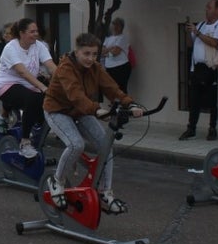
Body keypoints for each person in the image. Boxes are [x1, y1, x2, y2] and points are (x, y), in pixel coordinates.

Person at [43, 33, 144, 211]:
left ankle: (105, 192)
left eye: (94, 54)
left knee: (106, 146)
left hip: (82, 111)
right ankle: (56, 181)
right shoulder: (66, 68)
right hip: (57, 110)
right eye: (86, 54)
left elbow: (112, 89)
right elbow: (75, 95)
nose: (91, 58)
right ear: (77, 51)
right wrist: (97, 109)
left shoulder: (95, 68)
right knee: (76, 145)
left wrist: (131, 104)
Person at [0, 18, 57, 159]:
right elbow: (23, 72)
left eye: (37, 31)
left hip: (28, 86)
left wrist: (65, 79)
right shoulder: (11, 47)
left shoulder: (39, 46)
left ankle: (36, 132)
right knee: (33, 99)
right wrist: (43, 87)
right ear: (21, 33)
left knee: (49, 103)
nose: (35, 34)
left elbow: (51, 65)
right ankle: (25, 142)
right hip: (7, 85)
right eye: (32, 31)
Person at [180, 0, 218, 141]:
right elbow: (190, 44)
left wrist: (197, 33)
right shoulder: (201, 25)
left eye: (209, 7)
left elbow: (215, 43)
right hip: (197, 68)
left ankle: (212, 128)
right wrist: (189, 33)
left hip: (211, 67)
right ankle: (191, 128)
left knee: (213, 100)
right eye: (206, 7)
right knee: (194, 99)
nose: (206, 10)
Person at [101, 17, 131, 92]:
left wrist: (108, 51)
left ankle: (125, 103)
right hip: (109, 67)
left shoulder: (122, 38)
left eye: (117, 25)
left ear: (121, 27)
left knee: (121, 89)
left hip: (121, 67)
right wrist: (111, 48)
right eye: (114, 24)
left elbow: (115, 52)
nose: (115, 26)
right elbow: (102, 52)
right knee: (112, 90)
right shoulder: (108, 39)